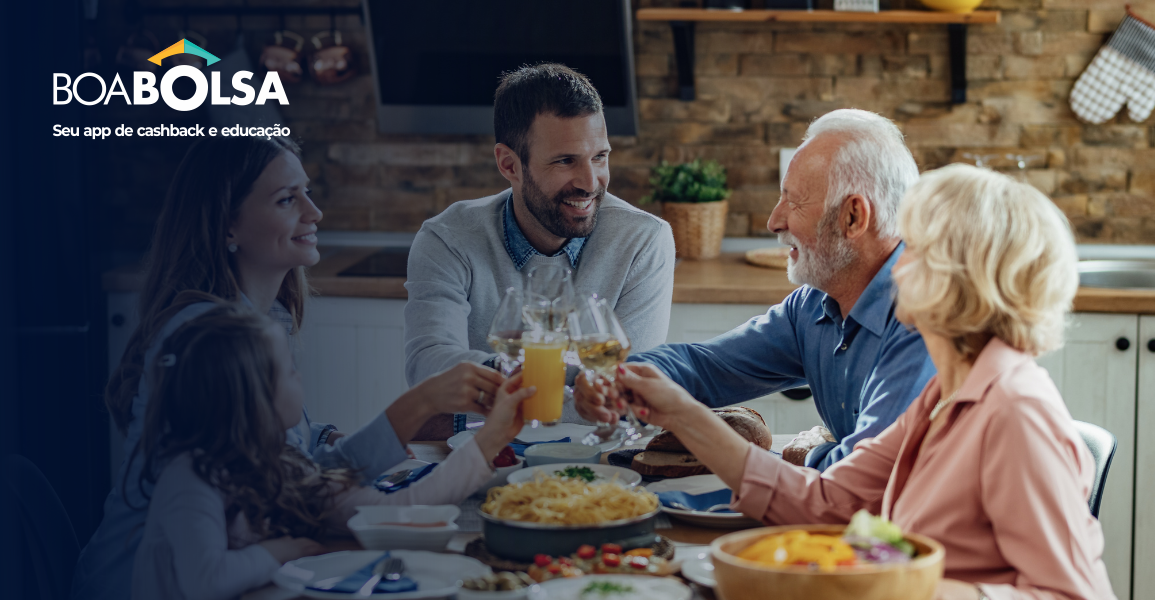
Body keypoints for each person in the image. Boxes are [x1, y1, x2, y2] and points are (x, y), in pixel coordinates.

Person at [617, 164, 1116, 600]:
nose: (898, 261)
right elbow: (829, 504)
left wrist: (908, 588)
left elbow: (1072, 594)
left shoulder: (1015, 411)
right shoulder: (943, 396)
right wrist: (680, 412)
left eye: (916, 246)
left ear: (962, 275)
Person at [74, 137, 508, 600]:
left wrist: (326, 437)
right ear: (227, 227)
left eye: (307, 192)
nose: (314, 213)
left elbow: (297, 479)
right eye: (287, 199)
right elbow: (305, 497)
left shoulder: (257, 322)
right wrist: (424, 404)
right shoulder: (213, 342)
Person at [576, 109, 935, 470]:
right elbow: (707, 366)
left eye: (793, 202)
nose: (774, 221)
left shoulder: (926, 318)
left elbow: (869, 477)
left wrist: (810, 451)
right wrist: (619, 380)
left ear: (854, 217)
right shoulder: (814, 306)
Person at [131, 304, 531, 599]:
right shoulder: (189, 477)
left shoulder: (285, 464)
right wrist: (279, 552)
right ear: (253, 398)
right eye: (288, 369)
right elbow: (204, 583)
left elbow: (398, 509)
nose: (299, 375)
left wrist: (489, 440)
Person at [404, 63, 675, 437]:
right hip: (481, 462)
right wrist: (574, 378)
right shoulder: (448, 239)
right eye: (565, 161)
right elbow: (428, 368)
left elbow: (626, 398)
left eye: (599, 156)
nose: (590, 182)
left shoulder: (644, 240)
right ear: (509, 165)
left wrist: (464, 412)